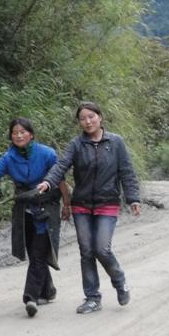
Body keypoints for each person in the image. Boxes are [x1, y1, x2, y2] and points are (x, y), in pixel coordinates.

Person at [0, 118, 71, 318]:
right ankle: (48, 290)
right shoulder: (8, 158)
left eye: (23, 132)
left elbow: (60, 180)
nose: (18, 135)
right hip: (24, 208)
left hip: (47, 208)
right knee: (35, 251)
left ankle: (31, 298)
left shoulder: (47, 154)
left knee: (39, 251)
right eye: (15, 132)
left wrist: (67, 205)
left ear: (31, 134)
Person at [38, 101, 141, 315]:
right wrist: (48, 182)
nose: (87, 121)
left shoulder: (116, 142)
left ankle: (119, 281)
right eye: (83, 118)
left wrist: (133, 198)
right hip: (82, 205)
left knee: (102, 248)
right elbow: (60, 167)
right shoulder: (76, 145)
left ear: (100, 117)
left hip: (107, 203)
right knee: (86, 251)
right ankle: (92, 297)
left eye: (91, 117)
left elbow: (127, 172)